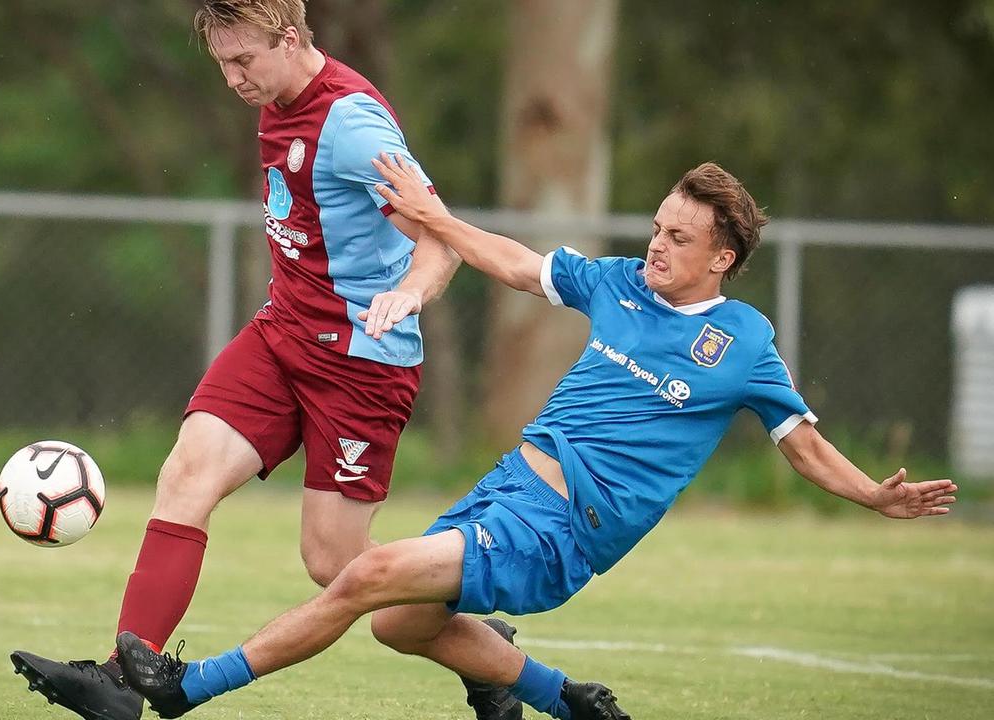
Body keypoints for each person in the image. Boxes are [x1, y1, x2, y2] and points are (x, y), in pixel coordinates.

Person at [112, 156, 959, 720]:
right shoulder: (620, 284)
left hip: (562, 531)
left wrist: (873, 495)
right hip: (505, 491)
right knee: (396, 625)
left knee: (367, 572)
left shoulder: (740, 342)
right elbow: (517, 263)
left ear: (723, 258)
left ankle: (191, 687)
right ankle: (565, 700)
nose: (656, 246)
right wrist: (433, 223)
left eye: (678, 238)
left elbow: (800, 442)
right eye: (658, 227)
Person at [8, 2, 515, 719]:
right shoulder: (275, 94)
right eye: (221, 63)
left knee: (336, 566)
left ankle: (485, 656)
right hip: (282, 335)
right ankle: (121, 684)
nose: (232, 79)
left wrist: (408, 293)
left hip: (360, 362)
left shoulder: (351, 123)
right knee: (186, 472)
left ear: (289, 38)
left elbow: (438, 238)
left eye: (243, 61)